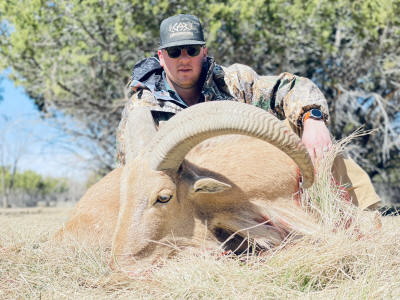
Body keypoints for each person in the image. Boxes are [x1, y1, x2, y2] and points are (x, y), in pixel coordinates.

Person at [116, 14, 380, 211]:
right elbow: (134, 177)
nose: (183, 58)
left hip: (243, 182)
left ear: (204, 52)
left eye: (192, 50)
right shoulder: (142, 109)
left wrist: (314, 119)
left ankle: (358, 217)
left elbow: (291, 87)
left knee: (311, 135)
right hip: (189, 199)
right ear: (161, 57)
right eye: (174, 52)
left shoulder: (235, 81)